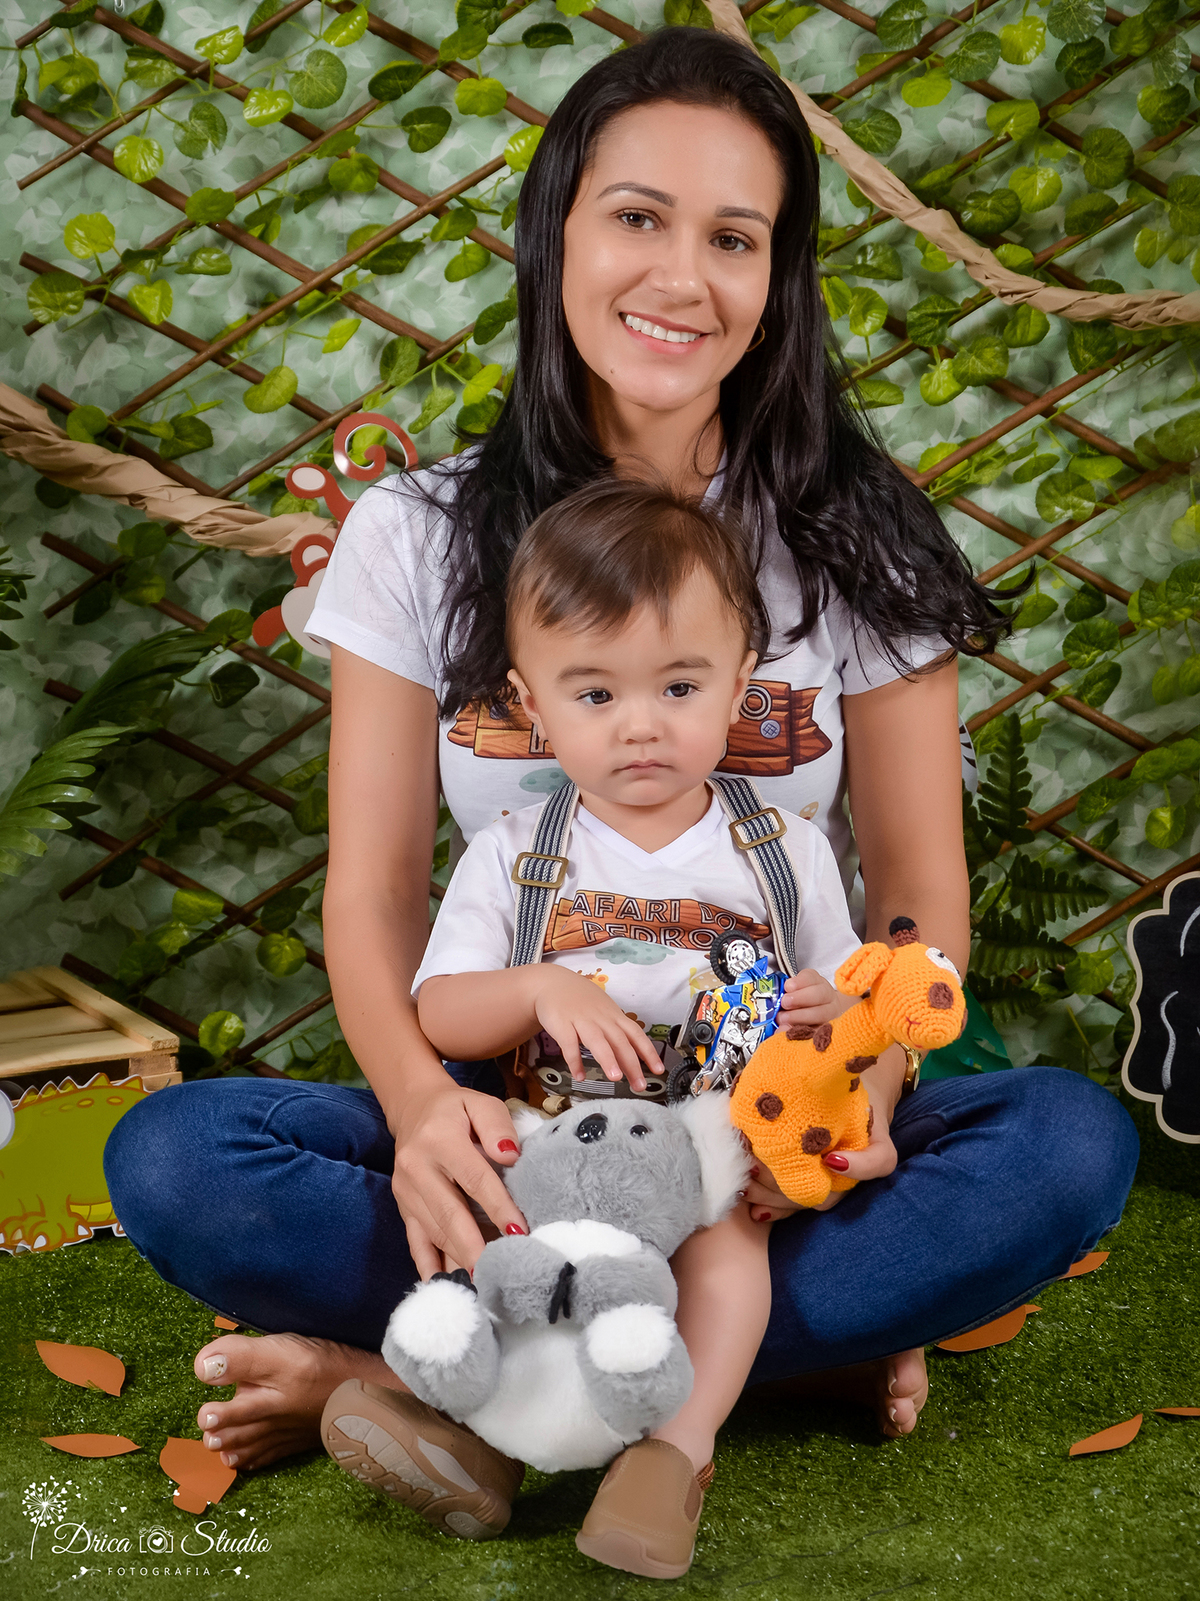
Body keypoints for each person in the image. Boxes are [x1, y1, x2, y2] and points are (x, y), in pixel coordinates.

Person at [102, 25, 1138, 1517]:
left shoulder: (859, 542)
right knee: (180, 1160)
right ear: (555, 234)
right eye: (637, 217)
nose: (681, 277)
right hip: (522, 1126)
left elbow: (917, 903)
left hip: (763, 1134)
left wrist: (853, 1094)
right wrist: (414, 1111)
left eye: (736, 237)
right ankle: (769, 1363)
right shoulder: (419, 531)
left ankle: (428, 1380)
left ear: (778, 277)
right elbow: (381, 890)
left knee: (1064, 1146)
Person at [339, 479, 868, 1575]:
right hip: (549, 1129)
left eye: (679, 684)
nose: (640, 724)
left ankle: (671, 1453)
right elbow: (439, 1007)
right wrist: (539, 989)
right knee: (479, 1225)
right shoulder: (520, 852)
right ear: (533, 706)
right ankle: (470, 1429)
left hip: (714, 1137)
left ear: (737, 690)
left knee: (732, 1241)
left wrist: (829, 1023)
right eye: (594, 694)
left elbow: (852, 1009)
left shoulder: (782, 848)